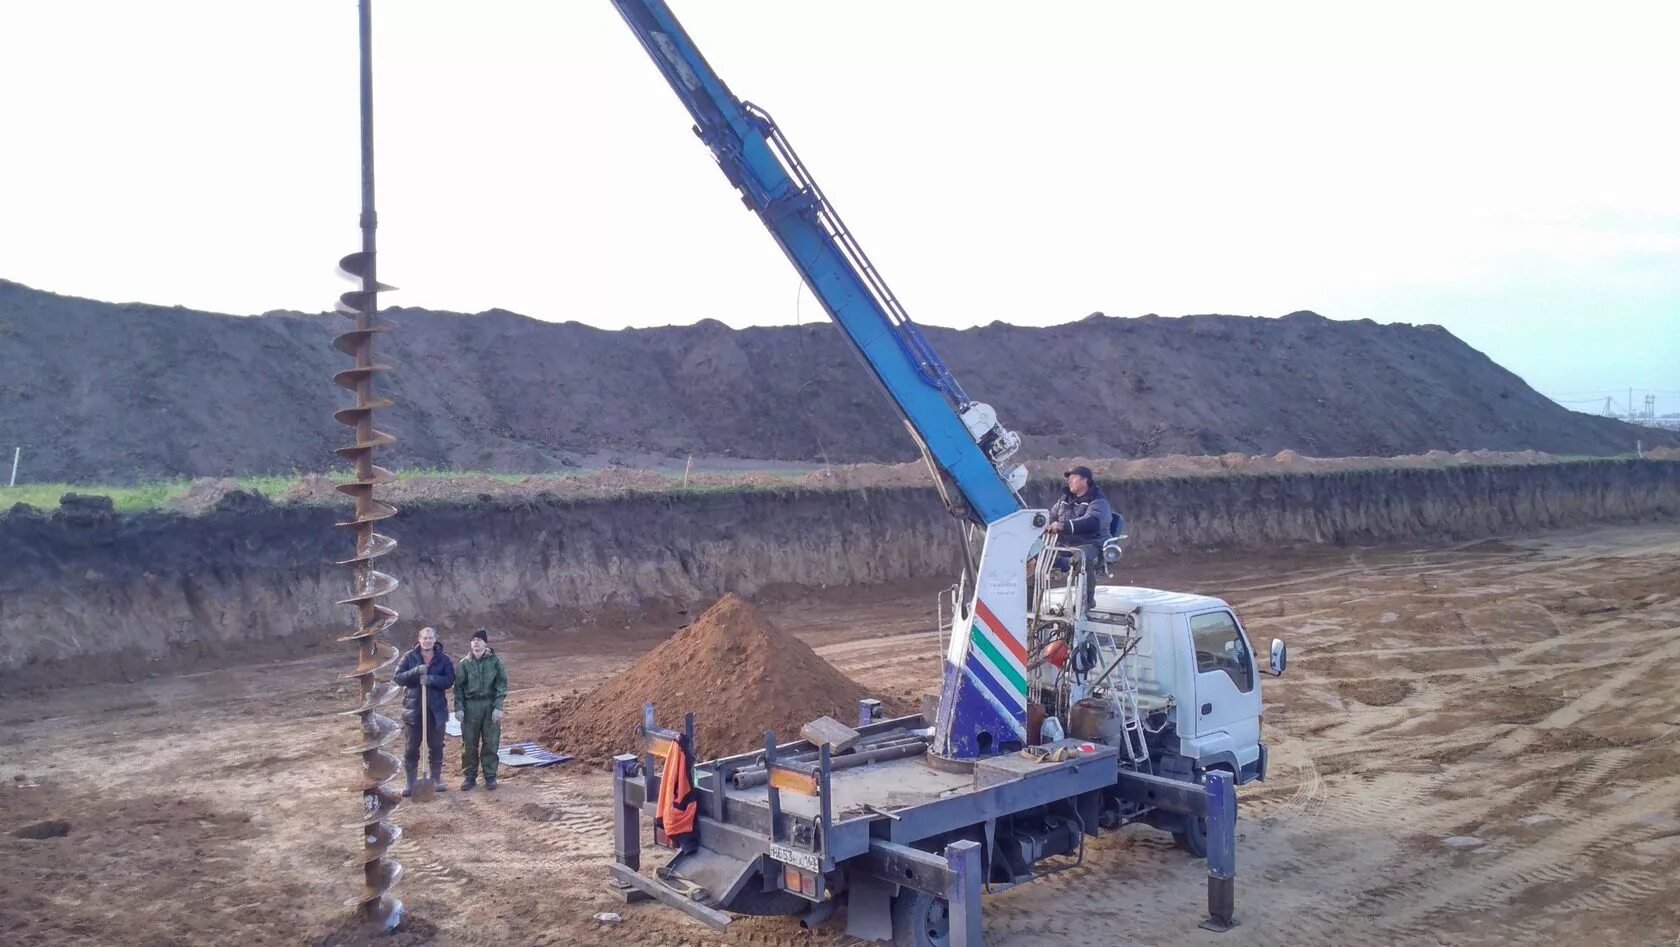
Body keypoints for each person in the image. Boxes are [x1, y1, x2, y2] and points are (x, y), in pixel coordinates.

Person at [393, 625, 456, 798]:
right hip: (413, 711)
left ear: (435, 639)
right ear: (419, 640)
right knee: (411, 747)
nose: (427, 641)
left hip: (436, 711)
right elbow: (397, 677)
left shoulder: (443, 659)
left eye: (430, 638)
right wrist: (415, 672)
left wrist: (431, 679)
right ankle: (411, 782)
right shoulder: (410, 657)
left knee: (436, 746)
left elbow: (450, 680)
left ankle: (435, 779)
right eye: (424, 638)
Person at [1046, 465, 1114, 609]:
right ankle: (1029, 605)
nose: (1069, 481)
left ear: (1085, 480)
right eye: (1068, 479)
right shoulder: (1063, 500)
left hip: (1092, 544)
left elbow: (1093, 522)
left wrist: (1063, 526)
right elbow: (1051, 516)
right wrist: (1046, 524)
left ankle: (1086, 602)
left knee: (1081, 557)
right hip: (1067, 545)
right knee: (1038, 556)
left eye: (1073, 478)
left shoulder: (1098, 501)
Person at [452, 628, 508, 791]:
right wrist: (459, 708)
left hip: (489, 705)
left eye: (479, 639)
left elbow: (501, 684)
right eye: (473, 639)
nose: (476, 642)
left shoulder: (495, 662)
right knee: (469, 744)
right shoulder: (465, 664)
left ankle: (490, 776)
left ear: (485, 643)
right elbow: (458, 688)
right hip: (471, 707)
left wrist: (498, 706)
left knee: (491, 742)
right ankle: (470, 777)